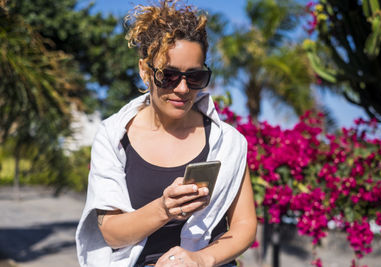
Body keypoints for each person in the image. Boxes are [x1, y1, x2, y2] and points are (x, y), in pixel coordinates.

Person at [75, 1, 257, 266]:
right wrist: (163, 209)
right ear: (145, 71)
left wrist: (200, 259)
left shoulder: (228, 142)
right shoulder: (114, 136)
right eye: (169, 76)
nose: (183, 88)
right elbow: (111, 233)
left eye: (194, 77)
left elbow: (244, 225)